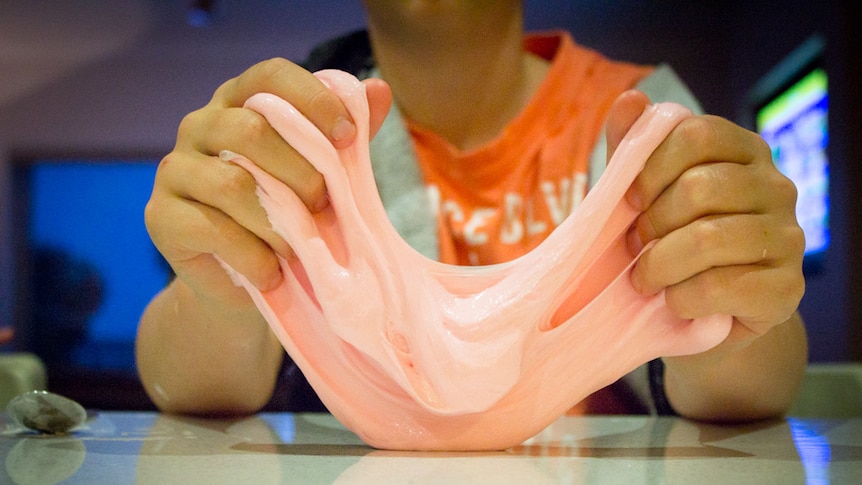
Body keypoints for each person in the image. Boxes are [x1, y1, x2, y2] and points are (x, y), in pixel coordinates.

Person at [136, 1, 808, 421]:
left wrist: (736, 286)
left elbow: (748, 379)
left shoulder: (643, 120)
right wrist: (223, 286)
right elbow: (192, 382)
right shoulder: (289, 143)